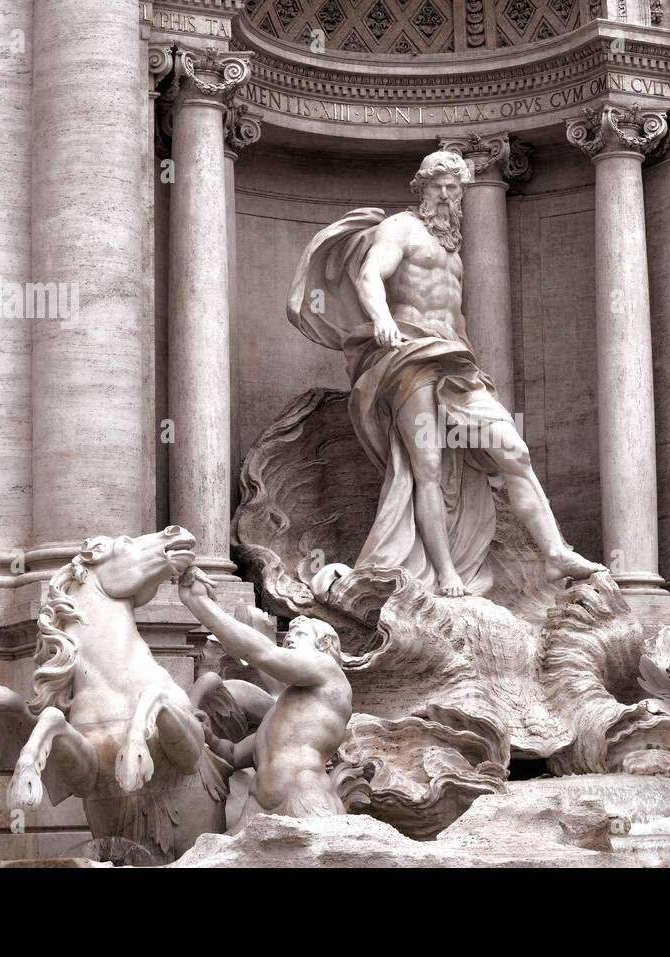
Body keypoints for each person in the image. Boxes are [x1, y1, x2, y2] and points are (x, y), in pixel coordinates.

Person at [287, 150, 603, 597]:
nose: (446, 194)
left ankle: (555, 553)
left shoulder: (453, 247)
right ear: (421, 188)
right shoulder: (400, 228)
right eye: (438, 186)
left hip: (456, 361)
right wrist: (381, 318)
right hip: (409, 354)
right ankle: (445, 573)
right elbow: (368, 276)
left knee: (513, 450)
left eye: (454, 187)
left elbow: (455, 315)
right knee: (428, 466)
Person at [178, 566, 350, 818]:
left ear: (324, 645)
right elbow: (235, 755)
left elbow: (264, 654)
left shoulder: (328, 672)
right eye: (287, 636)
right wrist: (210, 737)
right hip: (257, 810)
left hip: (305, 802)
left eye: (299, 635)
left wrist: (200, 603)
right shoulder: (281, 711)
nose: (289, 640)